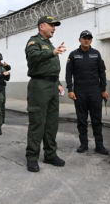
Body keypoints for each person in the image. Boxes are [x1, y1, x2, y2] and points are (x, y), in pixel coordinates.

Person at [25, 15, 66, 172]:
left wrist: (59, 84)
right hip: (39, 86)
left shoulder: (49, 44)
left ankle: (50, 154)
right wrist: (52, 53)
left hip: (53, 85)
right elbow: (33, 57)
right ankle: (32, 157)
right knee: (37, 122)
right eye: (51, 25)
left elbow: (51, 68)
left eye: (55, 25)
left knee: (52, 123)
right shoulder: (34, 41)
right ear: (42, 26)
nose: (54, 28)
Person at [65, 30, 109, 155]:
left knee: (97, 120)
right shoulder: (73, 55)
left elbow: (102, 72)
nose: (86, 40)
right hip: (80, 92)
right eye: (84, 38)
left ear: (91, 40)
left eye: (89, 38)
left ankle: (99, 145)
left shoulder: (96, 54)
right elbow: (68, 74)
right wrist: (70, 90)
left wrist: (103, 89)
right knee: (82, 120)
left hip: (95, 91)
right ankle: (83, 144)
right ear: (80, 40)